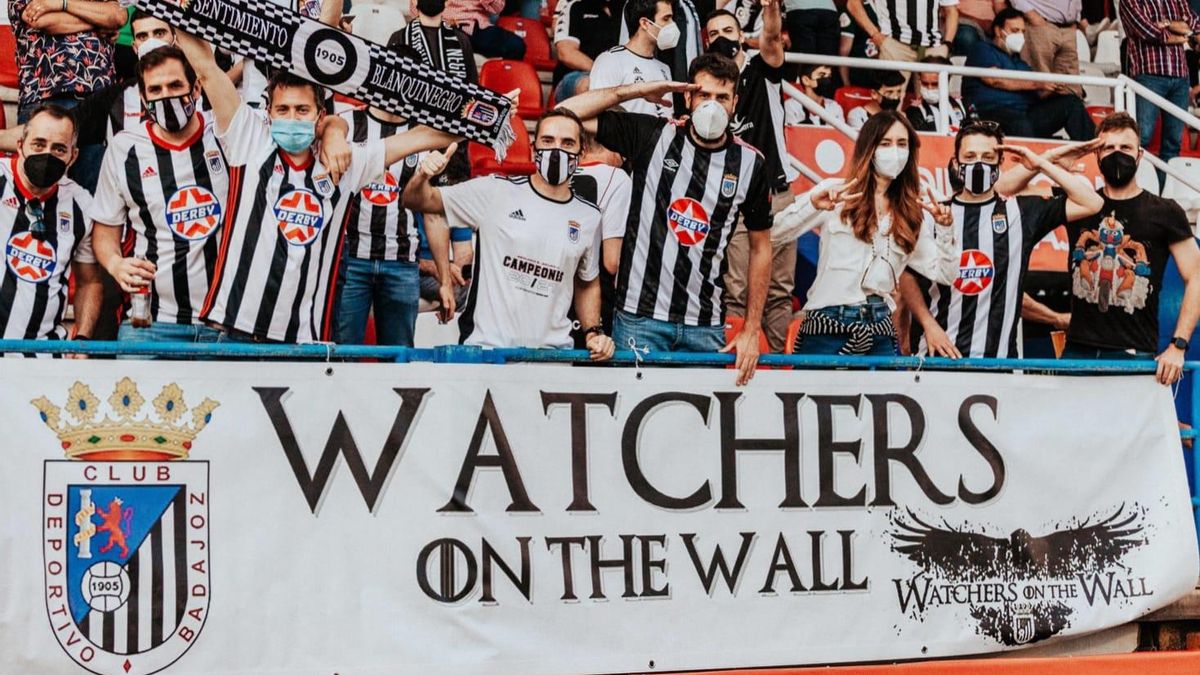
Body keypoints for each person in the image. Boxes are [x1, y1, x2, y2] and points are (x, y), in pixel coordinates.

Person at [174, 29, 459, 344]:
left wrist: (487, 115)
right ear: (267, 111)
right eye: (283, 110)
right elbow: (206, 69)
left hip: (304, 340)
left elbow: (427, 136)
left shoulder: (348, 162)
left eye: (302, 110)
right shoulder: (249, 139)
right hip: (237, 328)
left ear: (320, 115)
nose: (292, 119)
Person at [560, 55, 774, 385]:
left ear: (735, 103)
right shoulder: (653, 135)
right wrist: (637, 91)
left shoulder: (751, 163)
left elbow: (761, 248)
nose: (712, 106)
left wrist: (751, 327)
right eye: (704, 95)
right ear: (687, 97)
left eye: (722, 97)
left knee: (697, 428)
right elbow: (564, 115)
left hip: (705, 326)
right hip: (639, 319)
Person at [401, 109, 616, 360]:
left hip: (553, 359)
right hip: (489, 353)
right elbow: (416, 200)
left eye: (567, 143)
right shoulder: (495, 191)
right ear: (534, 149)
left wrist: (592, 331)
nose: (557, 150)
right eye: (548, 141)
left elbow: (587, 280)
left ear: (581, 153)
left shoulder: (589, 215)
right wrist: (423, 175)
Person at [898, 121, 1104, 359]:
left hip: (998, 365)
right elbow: (907, 274)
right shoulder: (933, 213)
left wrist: (1040, 163)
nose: (979, 163)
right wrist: (928, 324)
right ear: (956, 163)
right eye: (970, 156)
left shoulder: (1021, 212)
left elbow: (1092, 203)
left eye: (987, 157)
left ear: (999, 164)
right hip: (936, 357)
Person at [772, 111, 958, 355]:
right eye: (885, 143)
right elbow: (773, 234)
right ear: (869, 148)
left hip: (880, 328)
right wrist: (813, 206)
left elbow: (944, 274)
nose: (895, 151)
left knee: (884, 395)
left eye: (902, 144)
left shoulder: (911, 211)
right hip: (827, 325)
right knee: (818, 395)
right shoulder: (835, 192)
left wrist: (945, 229)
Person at [89, 46, 228, 348]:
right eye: (155, 89)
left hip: (224, 325)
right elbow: (104, 231)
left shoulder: (226, 134)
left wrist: (334, 127)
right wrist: (115, 263)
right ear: (143, 98)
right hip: (150, 324)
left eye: (175, 85)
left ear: (197, 87)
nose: (166, 96)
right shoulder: (125, 148)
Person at [1062, 113, 1200, 385]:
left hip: (1134, 353)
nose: (1117, 154)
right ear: (1096, 154)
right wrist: (1064, 160)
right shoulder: (1079, 204)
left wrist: (1178, 346)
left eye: (1125, 148)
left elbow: (1196, 275)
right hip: (1077, 351)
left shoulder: (1164, 211)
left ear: (1139, 155)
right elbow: (1010, 193)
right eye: (1108, 148)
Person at [333, 87, 435, 347]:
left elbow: (433, 213)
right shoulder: (349, 121)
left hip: (400, 262)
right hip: (352, 258)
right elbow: (328, 123)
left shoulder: (422, 134)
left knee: (399, 357)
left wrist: (444, 279)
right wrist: (331, 130)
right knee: (342, 354)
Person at [0, 105, 103, 342]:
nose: (47, 154)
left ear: (73, 156)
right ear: (20, 146)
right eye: (38, 144)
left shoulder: (82, 205)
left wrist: (83, 339)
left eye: (58, 149)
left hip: (42, 356)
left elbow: (89, 281)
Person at [10, 0, 128, 190]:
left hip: (97, 98)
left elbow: (118, 15)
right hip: (45, 97)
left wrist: (60, 4)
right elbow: (43, 21)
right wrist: (98, 20)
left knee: (94, 191)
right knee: (38, 184)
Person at [963, 8, 1095, 141]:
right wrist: (1037, 84)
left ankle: (1095, 154)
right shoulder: (982, 49)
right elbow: (995, 79)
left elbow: (1036, 93)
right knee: (1018, 123)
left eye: (1022, 32)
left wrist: (1053, 88)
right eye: (1015, 31)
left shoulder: (1020, 62)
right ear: (998, 31)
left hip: (1026, 114)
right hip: (991, 114)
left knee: (1071, 103)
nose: (1020, 35)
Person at [1120, 0, 1200, 165]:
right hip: (1149, 74)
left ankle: (1164, 189)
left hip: (1180, 75)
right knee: (1142, 138)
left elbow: (1195, 25)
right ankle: (1136, 188)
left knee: (1173, 143)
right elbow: (1150, 32)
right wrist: (1182, 33)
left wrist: (1167, 24)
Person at [590, 0, 676, 117]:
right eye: (666, 19)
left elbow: (667, 115)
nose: (672, 24)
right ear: (645, 23)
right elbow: (599, 110)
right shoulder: (610, 60)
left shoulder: (664, 68)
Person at [846, 0, 957, 87]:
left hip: (932, 48)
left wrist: (947, 44)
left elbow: (951, 11)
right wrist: (875, 35)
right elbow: (853, 3)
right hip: (895, 45)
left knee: (936, 101)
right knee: (892, 99)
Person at [389, 0, 480, 85]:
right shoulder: (399, 38)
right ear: (413, 1)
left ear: (447, 2)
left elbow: (472, 87)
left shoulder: (461, 40)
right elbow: (389, 83)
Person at [406, 0, 526, 60]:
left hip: (477, 27)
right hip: (445, 27)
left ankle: (500, 94)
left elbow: (498, 8)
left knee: (516, 45)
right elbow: (415, 11)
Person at [552, 0, 623, 102]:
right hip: (578, 76)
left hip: (616, 79)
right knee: (591, 85)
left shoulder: (626, 11)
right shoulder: (576, 6)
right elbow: (566, 53)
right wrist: (602, 73)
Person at [1012, 0, 1084, 98]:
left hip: (1068, 27)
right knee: (1042, 87)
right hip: (1041, 24)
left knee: (1071, 89)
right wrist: (1031, 14)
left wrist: (1076, 17)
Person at [905, 56, 972, 133]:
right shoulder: (914, 110)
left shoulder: (963, 104)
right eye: (925, 83)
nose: (929, 88)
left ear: (947, 81)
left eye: (935, 84)